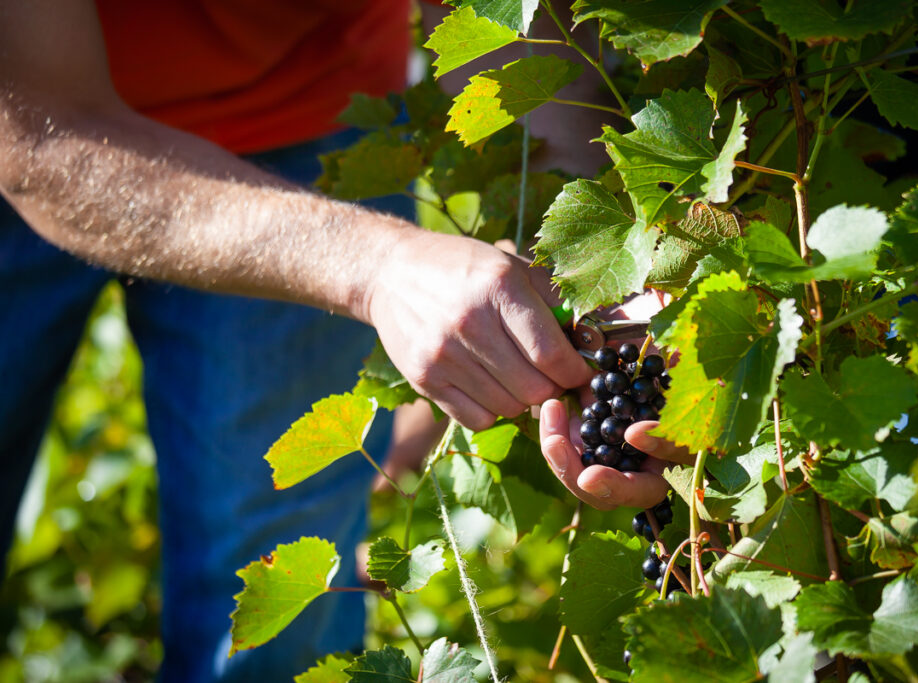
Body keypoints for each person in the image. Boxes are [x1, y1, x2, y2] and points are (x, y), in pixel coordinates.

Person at [0, 1, 595, 679]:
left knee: (270, 616)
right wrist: (381, 269)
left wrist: (581, 257)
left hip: (304, 106)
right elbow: (39, 142)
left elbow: (509, 25)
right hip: (27, 115)